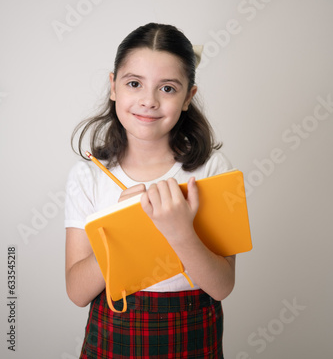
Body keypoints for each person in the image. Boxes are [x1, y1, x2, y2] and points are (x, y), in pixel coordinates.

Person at [65, 23, 236, 358]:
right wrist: (124, 229)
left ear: (189, 97)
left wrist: (180, 231)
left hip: (194, 338)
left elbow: (222, 286)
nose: (148, 101)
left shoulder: (213, 170)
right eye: (134, 84)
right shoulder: (87, 176)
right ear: (113, 87)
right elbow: (77, 292)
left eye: (168, 89)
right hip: (112, 338)